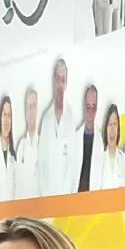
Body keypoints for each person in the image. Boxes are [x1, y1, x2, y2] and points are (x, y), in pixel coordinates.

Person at [35, 58, 77, 196]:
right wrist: (45, 196)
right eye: (58, 79)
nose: (60, 84)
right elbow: (40, 163)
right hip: (47, 198)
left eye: (63, 80)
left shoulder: (71, 118)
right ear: (53, 80)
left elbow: (73, 164)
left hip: (66, 198)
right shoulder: (46, 119)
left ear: (66, 84)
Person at [94, 105, 125, 190]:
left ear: (118, 128)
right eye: (110, 124)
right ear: (106, 129)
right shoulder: (99, 159)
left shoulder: (124, 159)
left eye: (115, 124)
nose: (112, 129)